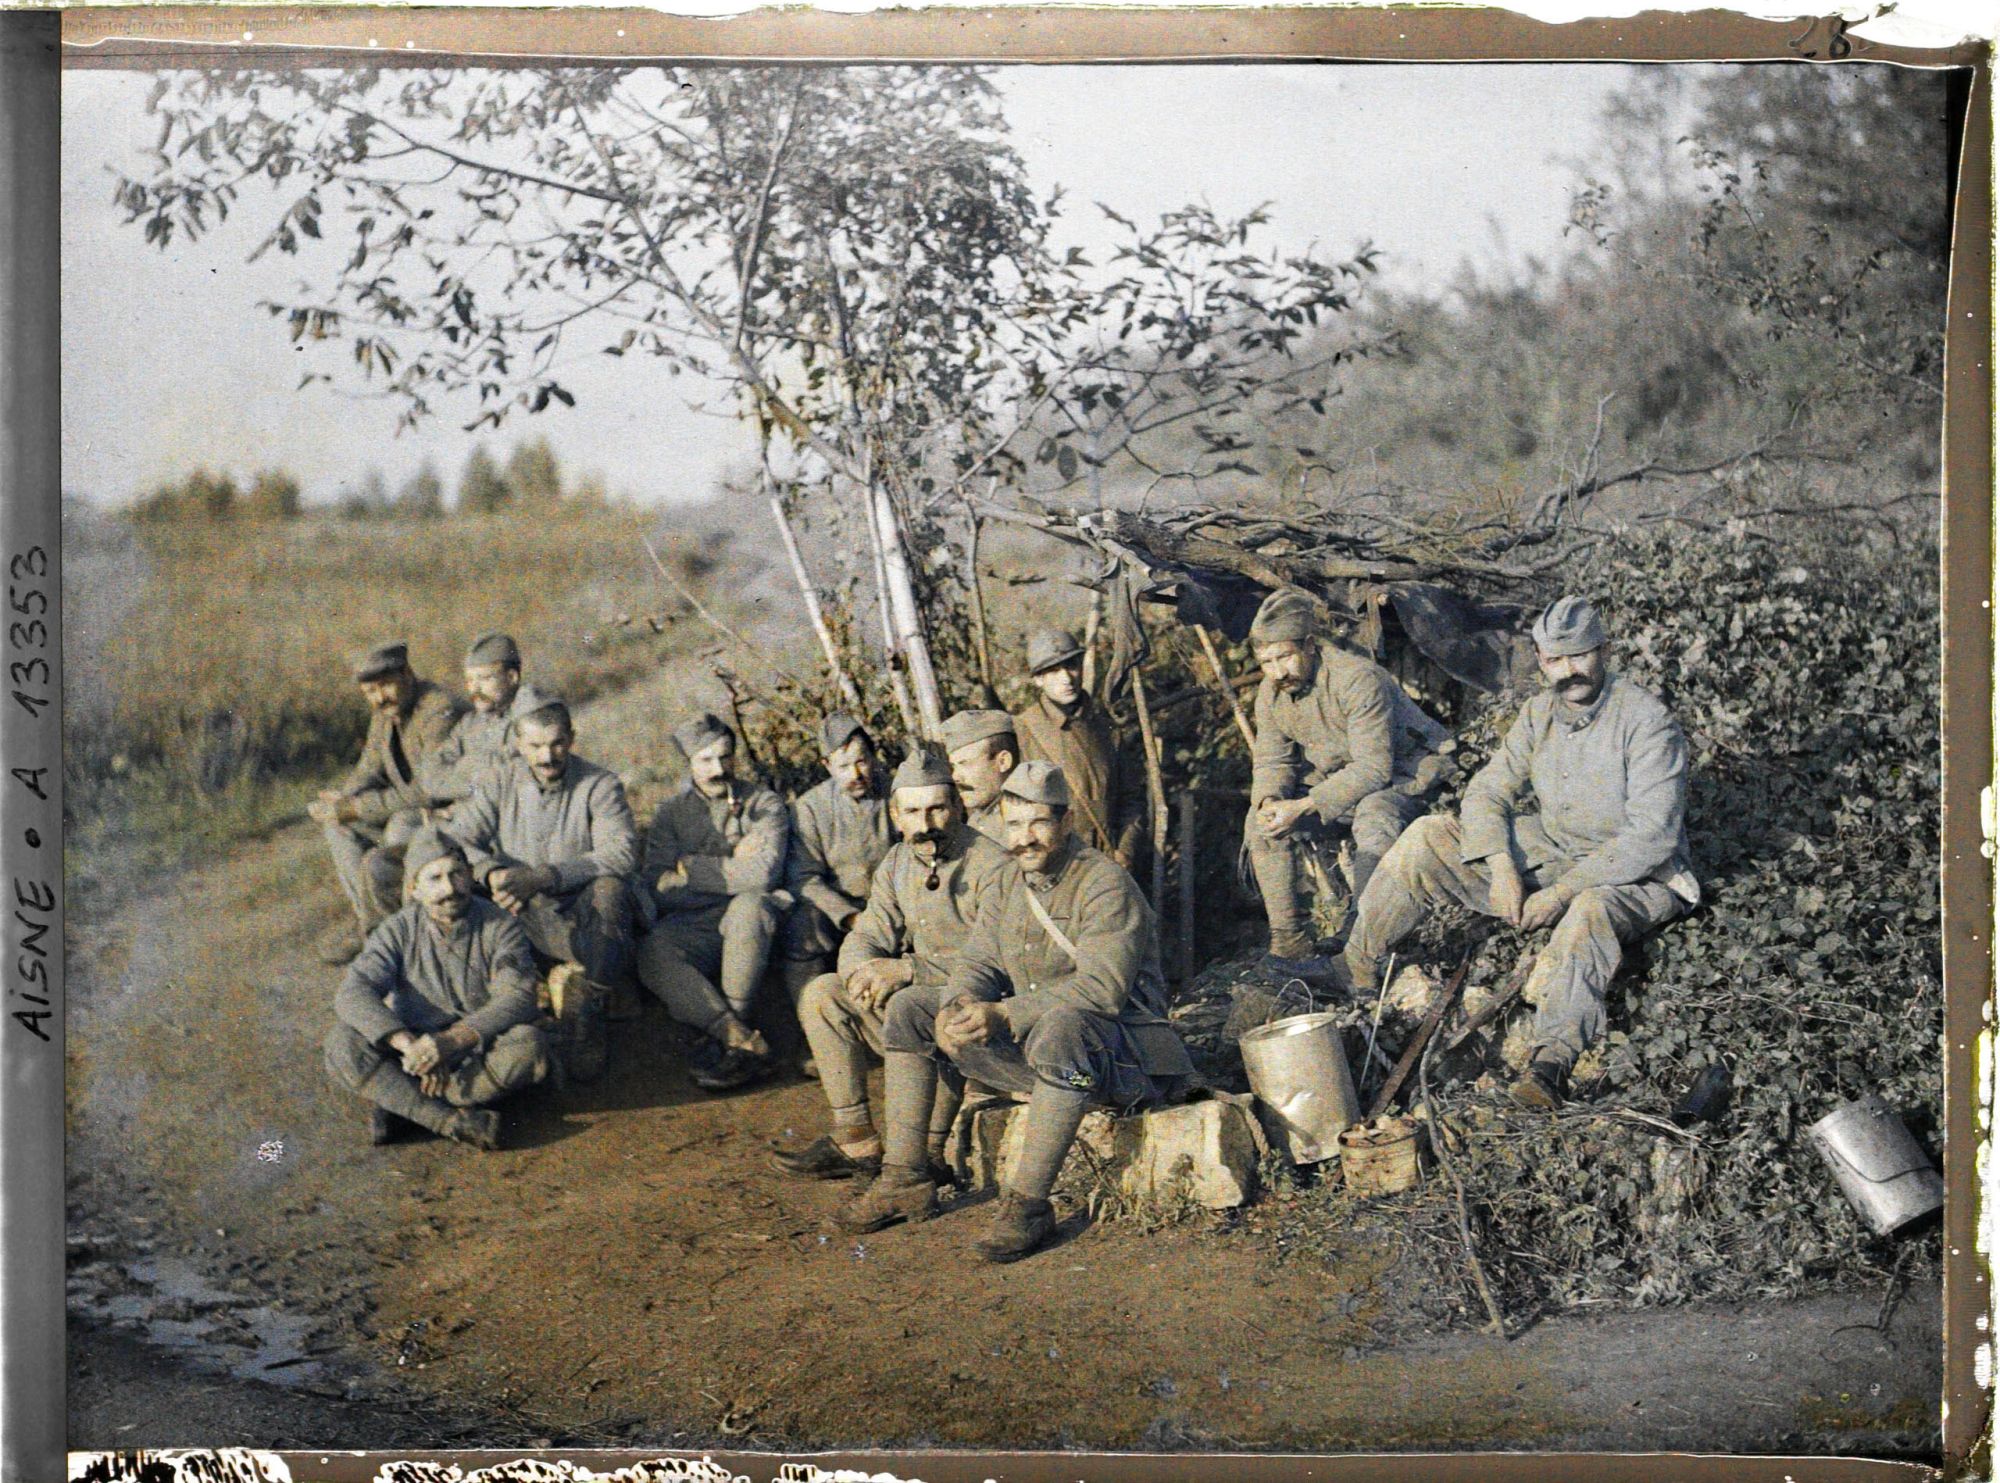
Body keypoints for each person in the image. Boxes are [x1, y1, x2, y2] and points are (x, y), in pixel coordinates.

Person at [1339, 595, 1699, 1108]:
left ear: (1605, 650)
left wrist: (1558, 893)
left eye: (1580, 656)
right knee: (1427, 836)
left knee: (1590, 909)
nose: (1569, 671)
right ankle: (1357, 967)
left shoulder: (1646, 720)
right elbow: (1487, 791)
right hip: (1555, 848)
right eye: (1555, 660)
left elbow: (1652, 836)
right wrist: (1502, 866)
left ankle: (1549, 1066)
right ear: (1541, 660)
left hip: (1642, 875)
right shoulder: (1539, 714)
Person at [841, 760, 1199, 1263]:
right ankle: (905, 1175)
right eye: (1013, 824)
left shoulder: (1103, 883)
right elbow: (978, 960)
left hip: (1126, 1060)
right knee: (908, 1008)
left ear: (1067, 822)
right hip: (1053, 1060)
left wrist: (1005, 1016)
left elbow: (1103, 990)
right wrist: (956, 1005)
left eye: (1038, 823)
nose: (1024, 838)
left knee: (1063, 1023)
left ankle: (1028, 1206)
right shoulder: (1010, 881)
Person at [772, 749, 1010, 1183]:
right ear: (896, 816)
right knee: (823, 994)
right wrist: (861, 971)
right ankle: (856, 1139)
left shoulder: (991, 865)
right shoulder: (898, 863)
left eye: (938, 808)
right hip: (917, 1011)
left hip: (976, 1014)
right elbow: (867, 934)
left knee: (916, 1005)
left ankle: (929, 1153)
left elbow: (997, 961)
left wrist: (906, 971)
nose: (926, 824)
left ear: (958, 806)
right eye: (913, 811)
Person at [1244, 589, 1451, 979]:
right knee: (1260, 823)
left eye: (1285, 657)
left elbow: (1375, 767)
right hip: (1347, 785)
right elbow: (1273, 760)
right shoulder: (1272, 694)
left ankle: (1359, 938)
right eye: (1266, 662)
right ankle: (1289, 942)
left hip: (1411, 774)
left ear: (1310, 645)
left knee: (1375, 812)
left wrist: (1304, 805)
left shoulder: (1357, 678)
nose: (1277, 672)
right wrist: (1271, 801)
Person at [446, 685, 640, 1084]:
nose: (546, 757)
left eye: (556, 744)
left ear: (571, 739)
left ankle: (590, 1004)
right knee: (451, 885)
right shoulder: (500, 781)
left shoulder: (599, 784)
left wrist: (546, 876)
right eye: (535, 746)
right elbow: (458, 839)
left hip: (579, 916)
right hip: (519, 910)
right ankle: (494, 1011)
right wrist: (491, 874)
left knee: (611, 890)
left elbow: (621, 854)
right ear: (518, 743)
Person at [323, 827, 550, 1151]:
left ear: (470, 875)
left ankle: (409, 1104)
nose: (449, 888)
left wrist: (450, 1041)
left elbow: (518, 996)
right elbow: (353, 992)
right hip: (413, 1052)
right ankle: (449, 1121)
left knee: (530, 1046)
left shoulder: (500, 925)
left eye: (456, 874)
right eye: (435, 878)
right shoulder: (396, 930)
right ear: (414, 888)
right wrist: (409, 1045)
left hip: (476, 1049)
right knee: (341, 1043)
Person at [634, 712, 789, 1091]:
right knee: (654, 951)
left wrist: (692, 867)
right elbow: (658, 885)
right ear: (689, 763)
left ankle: (735, 1041)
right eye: (705, 760)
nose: (718, 769)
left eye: (725, 757)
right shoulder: (670, 814)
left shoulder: (764, 804)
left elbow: (764, 875)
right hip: (695, 920)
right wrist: (734, 865)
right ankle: (735, 1034)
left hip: (752, 917)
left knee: (749, 909)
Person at [309, 641, 464, 965]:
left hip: (450, 814)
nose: (380, 697)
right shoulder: (386, 713)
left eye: (386, 685)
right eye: (370, 691)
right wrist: (344, 799)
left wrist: (357, 808)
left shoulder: (438, 710)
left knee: (398, 828)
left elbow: (430, 790)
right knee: (338, 826)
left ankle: (411, 936)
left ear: (407, 674)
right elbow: (369, 767)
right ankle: (372, 928)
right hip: (412, 809)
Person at [775, 713, 895, 1013]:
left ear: (872, 757)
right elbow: (804, 878)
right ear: (827, 766)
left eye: (862, 761)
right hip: (840, 911)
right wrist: (849, 916)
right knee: (802, 927)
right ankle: (813, 1020)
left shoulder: (896, 791)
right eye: (843, 766)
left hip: (896, 903)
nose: (856, 774)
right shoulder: (810, 809)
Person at [1012, 626, 1144, 872]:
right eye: (1053, 670)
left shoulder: (1107, 729)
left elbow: (1131, 800)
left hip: (1108, 865)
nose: (1067, 678)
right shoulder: (1023, 731)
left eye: (1072, 665)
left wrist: (1125, 851)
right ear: (1038, 679)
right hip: (1051, 867)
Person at [417, 631, 524, 827]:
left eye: (484, 679)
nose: (475, 689)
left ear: (511, 677)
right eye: (470, 681)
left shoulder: (528, 717)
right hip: (468, 813)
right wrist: (474, 779)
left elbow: (510, 783)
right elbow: (430, 776)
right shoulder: (470, 723)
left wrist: (463, 771)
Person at [939, 708, 1020, 844]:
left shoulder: (1029, 819)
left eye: (966, 763)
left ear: (1003, 762)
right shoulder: (977, 820)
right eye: (954, 766)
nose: (956, 777)